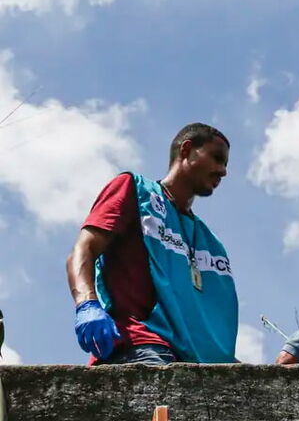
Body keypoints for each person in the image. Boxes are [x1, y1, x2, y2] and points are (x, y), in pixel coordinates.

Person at [65, 123, 237, 365]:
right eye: (217, 158)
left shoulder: (210, 242)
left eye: (226, 164)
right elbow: (84, 249)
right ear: (187, 149)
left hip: (192, 361)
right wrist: (87, 304)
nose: (223, 171)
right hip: (140, 345)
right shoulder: (134, 190)